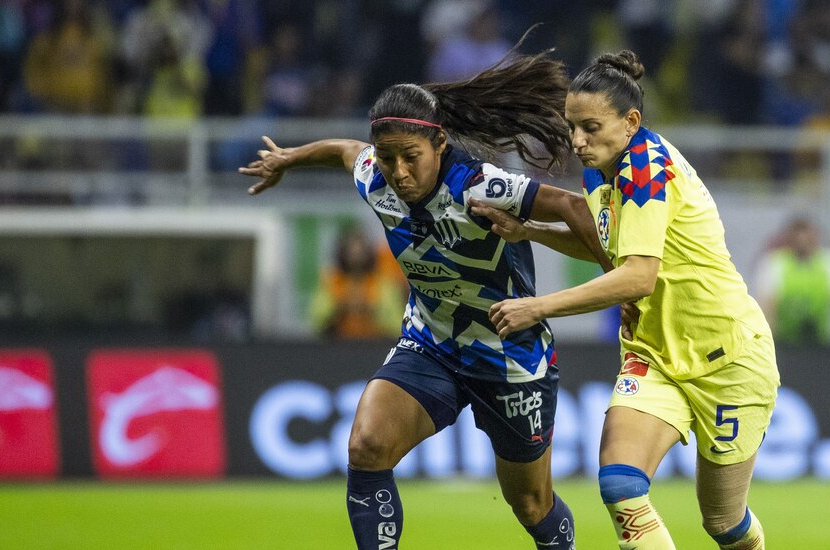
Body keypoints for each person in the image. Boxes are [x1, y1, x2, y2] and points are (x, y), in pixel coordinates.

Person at [237, 48, 608, 550]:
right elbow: (346, 151)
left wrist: (614, 269)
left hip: (509, 358)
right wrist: (289, 160)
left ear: (439, 143)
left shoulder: (480, 185)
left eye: (411, 158)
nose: (398, 172)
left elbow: (568, 204)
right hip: (430, 345)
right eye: (387, 157)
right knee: (367, 446)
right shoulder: (375, 175)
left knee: (531, 505)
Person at [470, 50, 778, 549]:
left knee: (723, 522)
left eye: (590, 127)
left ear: (631, 121)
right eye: (572, 127)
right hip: (653, 355)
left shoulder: (647, 169)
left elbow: (637, 277)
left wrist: (538, 306)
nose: (577, 141)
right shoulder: (601, 170)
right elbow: (609, 243)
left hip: (728, 358)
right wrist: (528, 230)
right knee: (620, 485)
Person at [754, 216, 830, 347]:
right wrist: (766, 345)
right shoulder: (775, 263)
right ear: (789, 240)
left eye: (808, 239)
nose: (803, 243)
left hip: (823, 344)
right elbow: (767, 308)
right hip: (784, 343)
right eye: (798, 239)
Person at [309, 225, 405, 340]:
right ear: (342, 252)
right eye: (351, 250)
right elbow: (316, 321)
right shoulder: (331, 280)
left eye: (360, 250)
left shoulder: (382, 282)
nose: (356, 255)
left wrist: (370, 308)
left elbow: (396, 325)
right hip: (336, 345)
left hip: (375, 346)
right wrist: (342, 307)